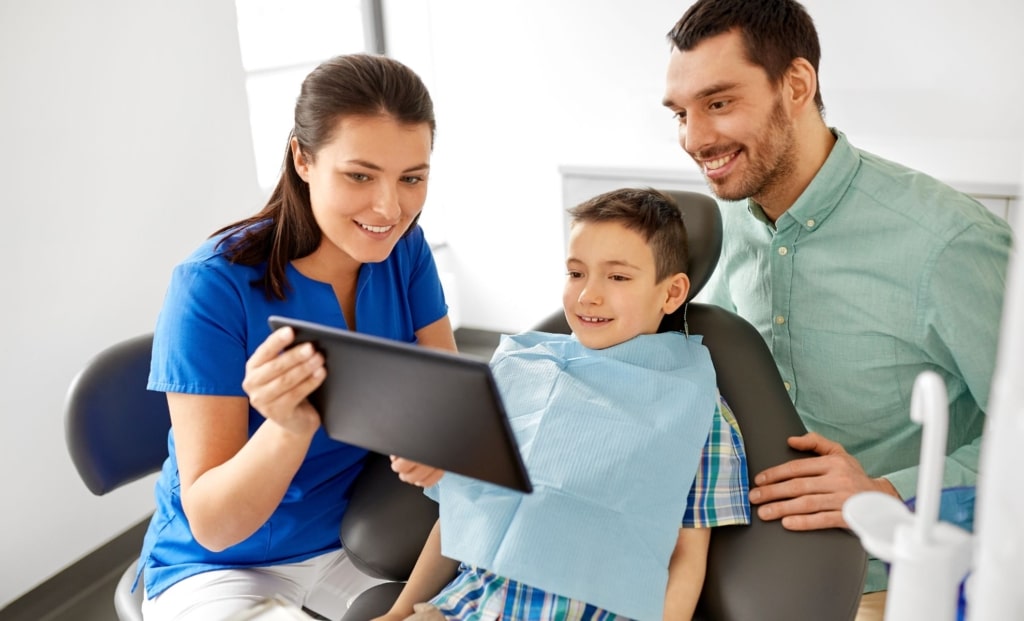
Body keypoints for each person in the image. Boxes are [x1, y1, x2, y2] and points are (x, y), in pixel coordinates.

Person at [661, 1, 1014, 618]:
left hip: (888, 582)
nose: (694, 138)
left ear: (797, 85)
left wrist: (883, 491)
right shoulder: (724, 226)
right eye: (681, 114)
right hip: (734, 556)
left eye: (719, 103)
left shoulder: (949, 243)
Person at [136, 53, 456, 621]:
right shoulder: (211, 287)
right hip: (221, 566)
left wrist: (436, 444)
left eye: (412, 178)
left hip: (358, 534)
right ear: (302, 159)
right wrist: (288, 428)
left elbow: (446, 404)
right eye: (360, 175)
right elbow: (214, 525)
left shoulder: (404, 249)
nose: (391, 208)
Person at [376, 188, 751, 621]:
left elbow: (686, 555)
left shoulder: (697, 410)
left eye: (618, 277)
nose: (588, 295)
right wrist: (400, 611)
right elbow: (461, 516)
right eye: (576, 273)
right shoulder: (519, 371)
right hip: (467, 608)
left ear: (671, 293)